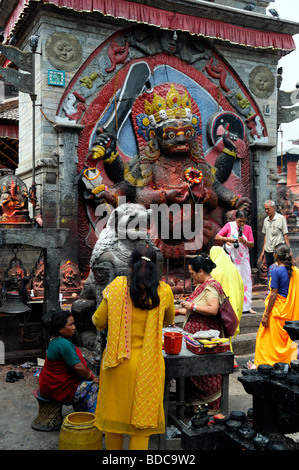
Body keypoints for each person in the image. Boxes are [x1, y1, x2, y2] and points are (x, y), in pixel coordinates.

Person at [92, 245, 175, 451]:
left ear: (130, 264)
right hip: (148, 368)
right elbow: (169, 319)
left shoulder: (118, 287)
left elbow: (98, 321)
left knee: (114, 423)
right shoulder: (164, 291)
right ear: (155, 265)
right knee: (142, 426)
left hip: (117, 365)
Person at [176, 254, 225, 414]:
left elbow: (213, 309)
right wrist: (177, 311)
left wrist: (192, 307)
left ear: (201, 271)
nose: (192, 276)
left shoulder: (211, 286)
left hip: (204, 340)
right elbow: (193, 309)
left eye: (192, 273)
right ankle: (193, 406)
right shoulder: (202, 285)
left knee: (204, 375)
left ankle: (208, 408)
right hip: (195, 340)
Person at [39, 309, 99, 412]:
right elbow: (78, 367)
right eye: (70, 325)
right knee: (97, 386)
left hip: (48, 386)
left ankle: (81, 411)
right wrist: (93, 378)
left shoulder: (54, 339)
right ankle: (91, 417)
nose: (74, 328)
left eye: (73, 324)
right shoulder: (63, 344)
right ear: (60, 329)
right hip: (58, 389)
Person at [252, 243, 299, 368]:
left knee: (264, 338)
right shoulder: (295, 271)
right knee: (288, 339)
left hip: (278, 309)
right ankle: (288, 362)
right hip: (290, 310)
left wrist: (266, 314)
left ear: (276, 255)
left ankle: (267, 363)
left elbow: (273, 294)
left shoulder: (276, 270)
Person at [215, 210, 256, 313]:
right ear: (235, 219)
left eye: (244, 222)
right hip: (231, 260)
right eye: (239, 221)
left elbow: (252, 244)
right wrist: (227, 239)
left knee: (246, 282)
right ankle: (231, 306)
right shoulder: (229, 226)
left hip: (243, 260)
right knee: (231, 282)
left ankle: (246, 307)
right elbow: (217, 237)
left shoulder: (248, 229)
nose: (242, 224)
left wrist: (245, 241)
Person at [210, 246, 244, 368]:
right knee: (227, 333)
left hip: (222, 305)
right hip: (233, 304)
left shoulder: (215, 271)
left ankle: (231, 360)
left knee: (222, 334)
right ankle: (231, 359)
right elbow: (241, 286)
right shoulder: (234, 268)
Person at [259, 200, 290, 270]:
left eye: (268, 209)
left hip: (278, 252)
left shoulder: (281, 218)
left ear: (274, 208)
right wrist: (263, 251)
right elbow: (266, 236)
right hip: (268, 251)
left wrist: (289, 251)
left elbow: (285, 235)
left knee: (279, 270)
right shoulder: (265, 220)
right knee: (270, 269)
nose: (266, 211)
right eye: (265, 209)